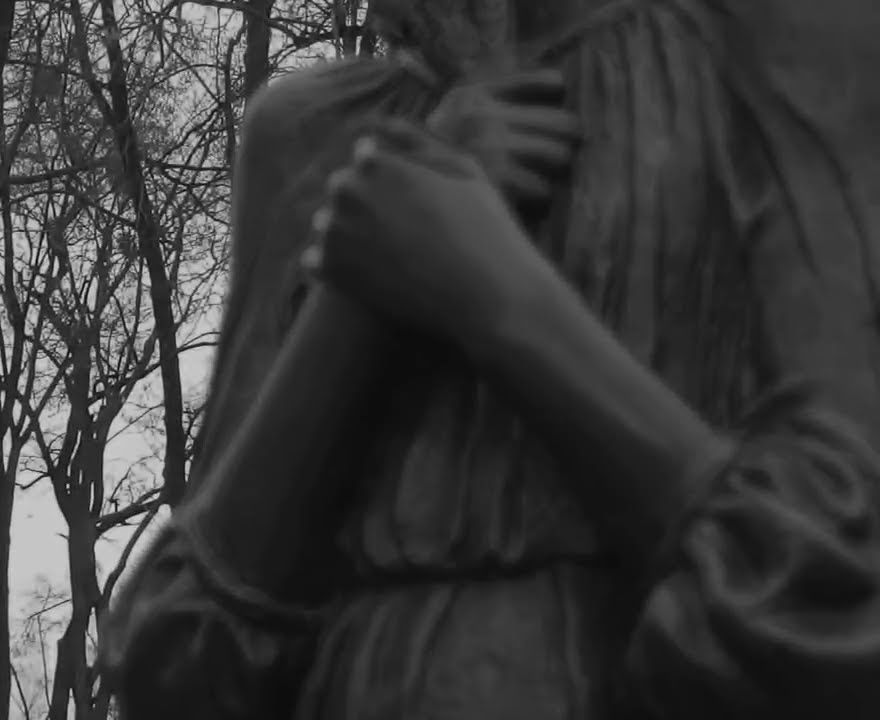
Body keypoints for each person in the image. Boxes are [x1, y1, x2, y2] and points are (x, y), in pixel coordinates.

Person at [101, 1, 880, 718]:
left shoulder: (788, 49)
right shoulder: (305, 131)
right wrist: (353, 306)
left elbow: (839, 604)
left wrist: (496, 297)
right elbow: (174, 678)